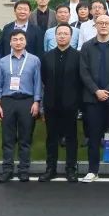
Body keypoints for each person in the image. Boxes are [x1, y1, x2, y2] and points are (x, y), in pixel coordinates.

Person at [79, 15, 109, 182]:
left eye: (107, 23)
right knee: (93, 136)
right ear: (95, 26)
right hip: (92, 98)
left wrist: (107, 91)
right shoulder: (87, 46)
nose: (104, 25)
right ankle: (93, 170)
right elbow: (84, 72)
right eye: (100, 23)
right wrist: (96, 91)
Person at [0, 30, 42, 182]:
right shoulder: (3, 61)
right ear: (10, 42)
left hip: (27, 101)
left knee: (25, 138)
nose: (18, 42)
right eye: (15, 39)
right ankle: (7, 169)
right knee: (7, 138)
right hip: (7, 101)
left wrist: (36, 102)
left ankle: (23, 169)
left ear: (25, 42)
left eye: (21, 39)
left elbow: (38, 83)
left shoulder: (34, 60)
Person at [39, 24, 82, 182]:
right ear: (55, 36)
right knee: (51, 137)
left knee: (71, 137)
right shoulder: (47, 56)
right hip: (51, 104)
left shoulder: (78, 56)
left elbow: (80, 80)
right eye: (59, 34)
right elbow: (44, 79)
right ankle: (50, 168)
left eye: (65, 33)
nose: (62, 36)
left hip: (71, 104)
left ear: (71, 36)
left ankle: (71, 169)